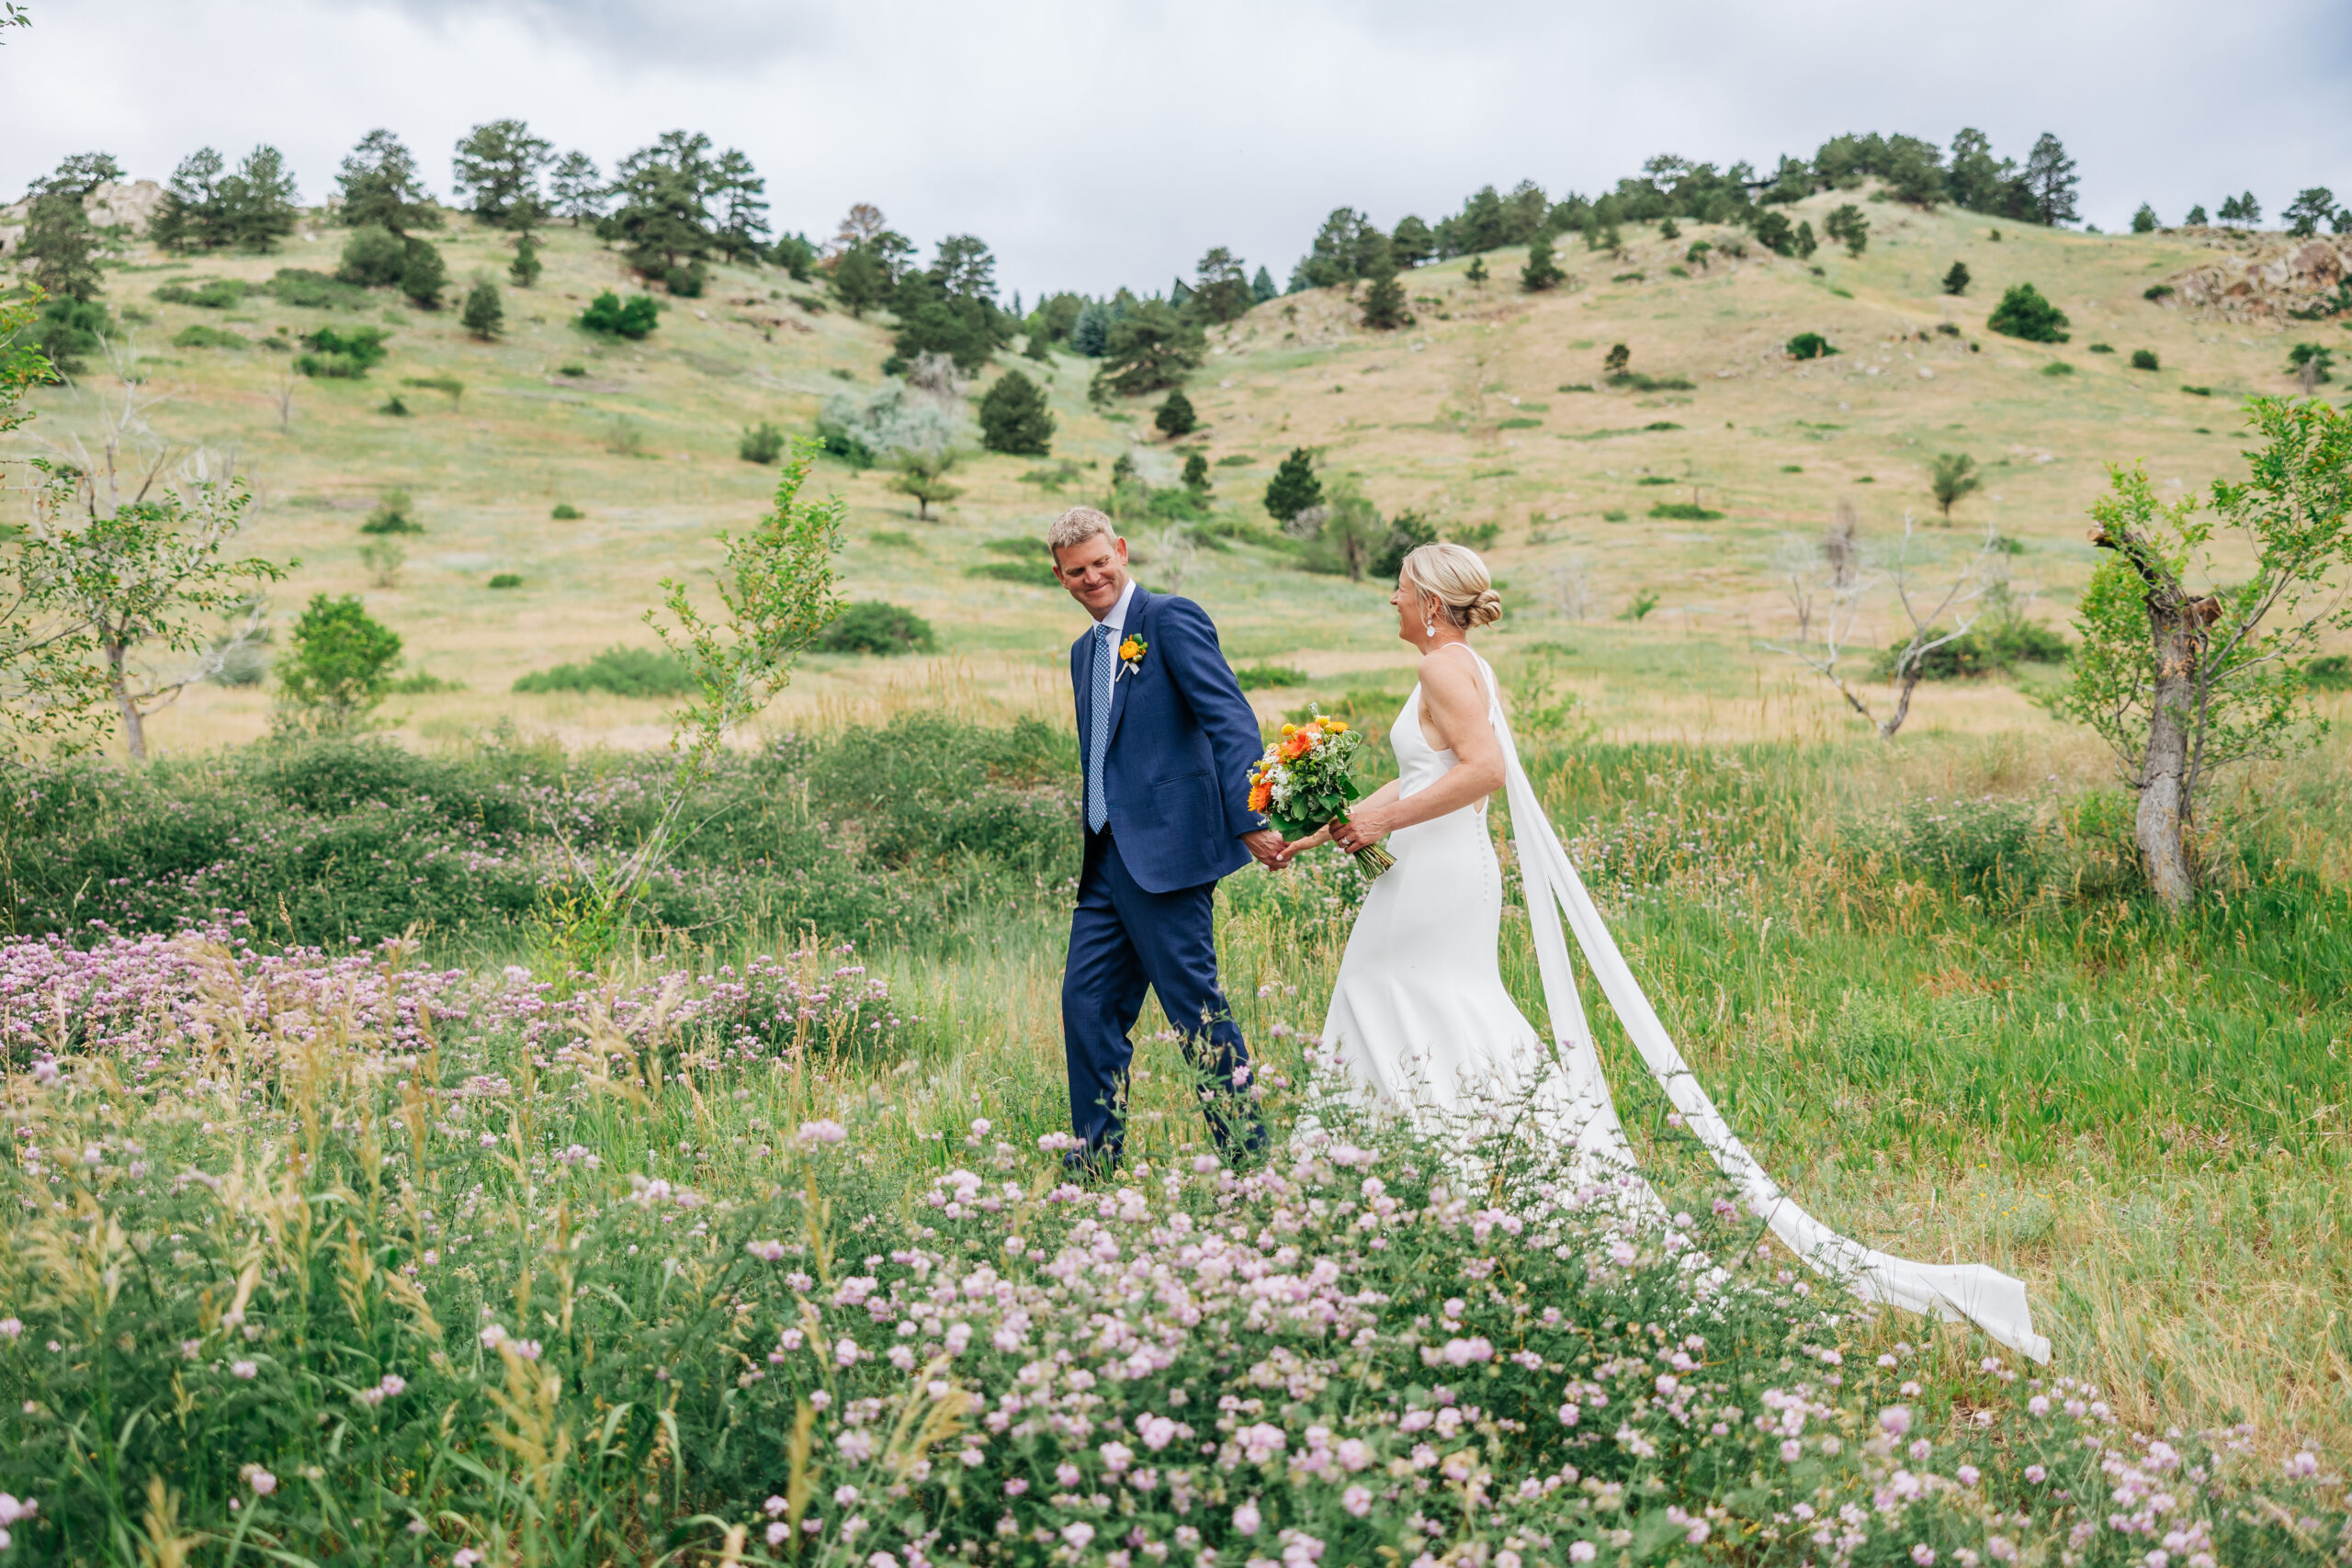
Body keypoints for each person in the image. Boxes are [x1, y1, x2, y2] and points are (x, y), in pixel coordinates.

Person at [1282, 541, 2052, 1364]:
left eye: (1398, 591)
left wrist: (1385, 824)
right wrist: (1333, 822)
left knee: (1416, 1002)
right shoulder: (1459, 664)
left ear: (1431, 604)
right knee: (1412, 1006)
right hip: (1432, 871)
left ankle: (1403, 1192)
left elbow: (1483, 771)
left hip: (1434, 875)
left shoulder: (1444, 670)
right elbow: (1418, 774)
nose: (1390, 603)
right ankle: (1417, 1189)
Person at [1050, 505, 1282, 1171]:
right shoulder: (1082, 652)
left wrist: (1250, 814)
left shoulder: (1170, 618)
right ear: (1060, 577)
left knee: (1195, 1012)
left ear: (1121, 551)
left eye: (1101, 561)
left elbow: (1230, 718)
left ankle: (1249, 1161)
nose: (1092, 576)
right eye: (1077, 571)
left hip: (1169, 855)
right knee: (1085, 1003)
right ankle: (1092, 1167)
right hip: (1103, 860)